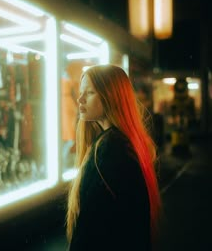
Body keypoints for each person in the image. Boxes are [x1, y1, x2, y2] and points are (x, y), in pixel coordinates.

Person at [66, 64, 161, 251]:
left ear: (111, 96)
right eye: (81, 92)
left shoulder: (109, 148)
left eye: (90, 92)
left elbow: (90, 228)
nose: (80, 99)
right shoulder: (121, 142)